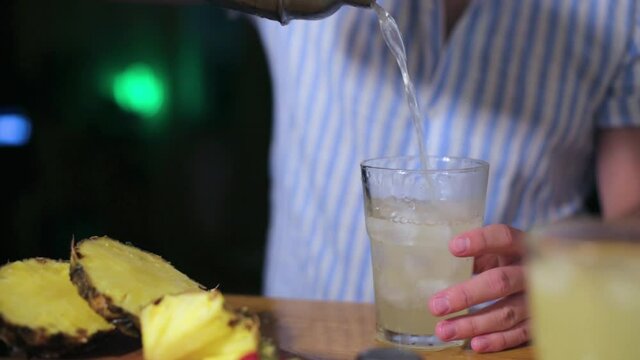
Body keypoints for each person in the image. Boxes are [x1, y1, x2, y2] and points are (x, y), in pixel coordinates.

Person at [253, 0, 640, 353]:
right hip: (299, 344)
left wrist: (564, 279)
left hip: (491, 347)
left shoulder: (620, 11)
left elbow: (631, 219)